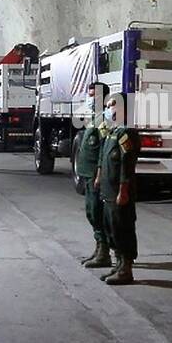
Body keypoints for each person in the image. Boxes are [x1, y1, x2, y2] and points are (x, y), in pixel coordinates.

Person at [95, 91, 138, 285]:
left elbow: (126, 164)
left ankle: (126, 269)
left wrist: (123, 190)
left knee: (123, 229)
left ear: (121, 108)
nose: (107, 108)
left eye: (111, 105)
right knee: (111, 227)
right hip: (108, 191)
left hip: (119, 191)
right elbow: (104, 161)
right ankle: (118, 264)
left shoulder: (126, 133)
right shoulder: (112, 132)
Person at [76, 83, 111, 268]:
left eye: (94, 96)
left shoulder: (105, 120)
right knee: (91, 212)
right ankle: (99, 249)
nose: (90, 99)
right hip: (87, 174)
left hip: (95, 175)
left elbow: (104, 150)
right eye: (89, 96)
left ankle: (104, 252)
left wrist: (99, 174)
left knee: (97, 212)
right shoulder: (93, 117)